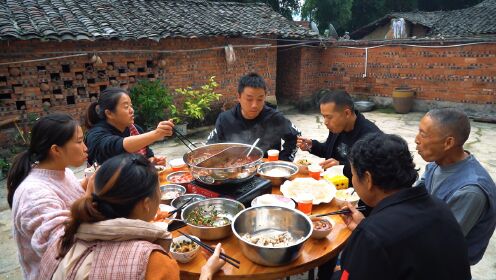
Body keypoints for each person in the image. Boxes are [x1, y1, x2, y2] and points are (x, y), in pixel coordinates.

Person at [38, 154, 226, 279]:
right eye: (158, 191)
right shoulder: (152, 262)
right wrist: (207, 271)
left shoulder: (61, 238)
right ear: (146, 204)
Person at [339, 133, 471, 280]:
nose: (353, 181)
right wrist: (365, 225)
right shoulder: (441, 208)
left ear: (368, 179)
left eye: (353, 175)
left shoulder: (371, 236)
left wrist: (366, 231)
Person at [7, 113, 89, 279]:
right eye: (79, 141)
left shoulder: (62, 171)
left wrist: (87, 186)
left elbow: (64, 197)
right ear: (56, 150)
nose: (86, 147)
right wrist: (90, 198)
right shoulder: (33, 195)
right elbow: (61, 248)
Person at [415, 108, 496, 265]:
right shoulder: (436, 164)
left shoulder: (471, 190)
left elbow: (441, 241)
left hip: (448, 263)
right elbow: (416, 194)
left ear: (448, 143)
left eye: (423, 135)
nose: (416, 139)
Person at [206, 73, 300, 161]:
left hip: (265, 170)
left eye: (260, 99)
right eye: (249, 99)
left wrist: (284, 161)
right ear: (239, 97)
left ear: (265, 97)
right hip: (234, 169)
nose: (254, 105)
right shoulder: (225, 119)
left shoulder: (274, 117)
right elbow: (210, 147)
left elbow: (296, 137)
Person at [297, 90, 381, 180]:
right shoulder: (337, 128)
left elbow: (370, 171)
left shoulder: (371, 137)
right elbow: (329, 150)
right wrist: (312, 146)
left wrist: (340, 166)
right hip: (331, 182)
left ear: (347, 113)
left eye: (329, 117)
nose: (325, 122)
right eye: (323, 116)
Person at [85, 87, 174, 165]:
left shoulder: (135, 129)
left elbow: (148, 155)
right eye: (126, 107)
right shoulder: (95, 134)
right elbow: (116, 146)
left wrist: (152, 162)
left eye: (131, 106)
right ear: (109, 113)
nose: (132, 110)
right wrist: (156, 134)